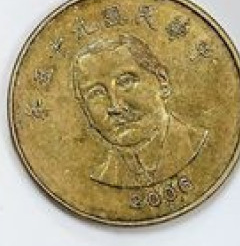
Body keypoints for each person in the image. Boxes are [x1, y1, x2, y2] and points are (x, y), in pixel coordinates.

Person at [72, 33, 208, 188]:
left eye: (126, 82)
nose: (115, 106)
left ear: (162, 82)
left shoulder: (198, 145)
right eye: (96, 93)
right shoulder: (101, 178)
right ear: (85, 109)